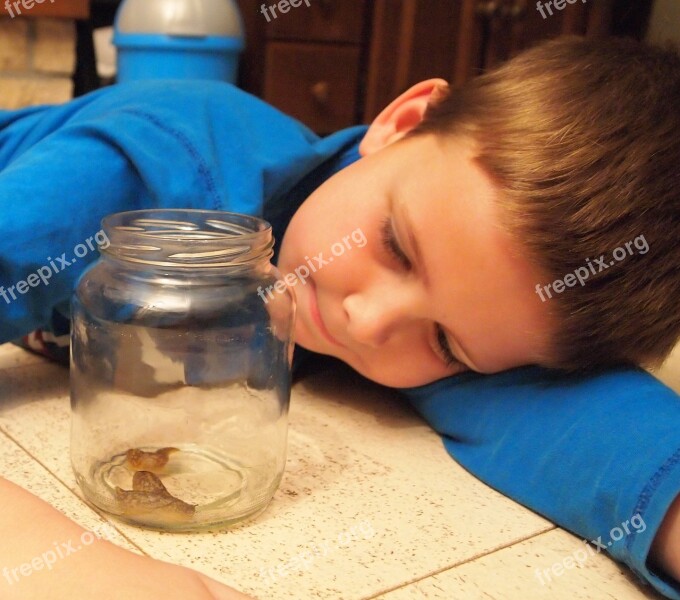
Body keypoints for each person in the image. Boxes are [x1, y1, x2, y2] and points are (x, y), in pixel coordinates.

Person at [0, 35, 678, 598]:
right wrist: (66, 564)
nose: (368, 321)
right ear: (403, 123)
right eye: (397, 247)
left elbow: (575, 419)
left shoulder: (472, 292)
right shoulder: (153, 166)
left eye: (446, 343)